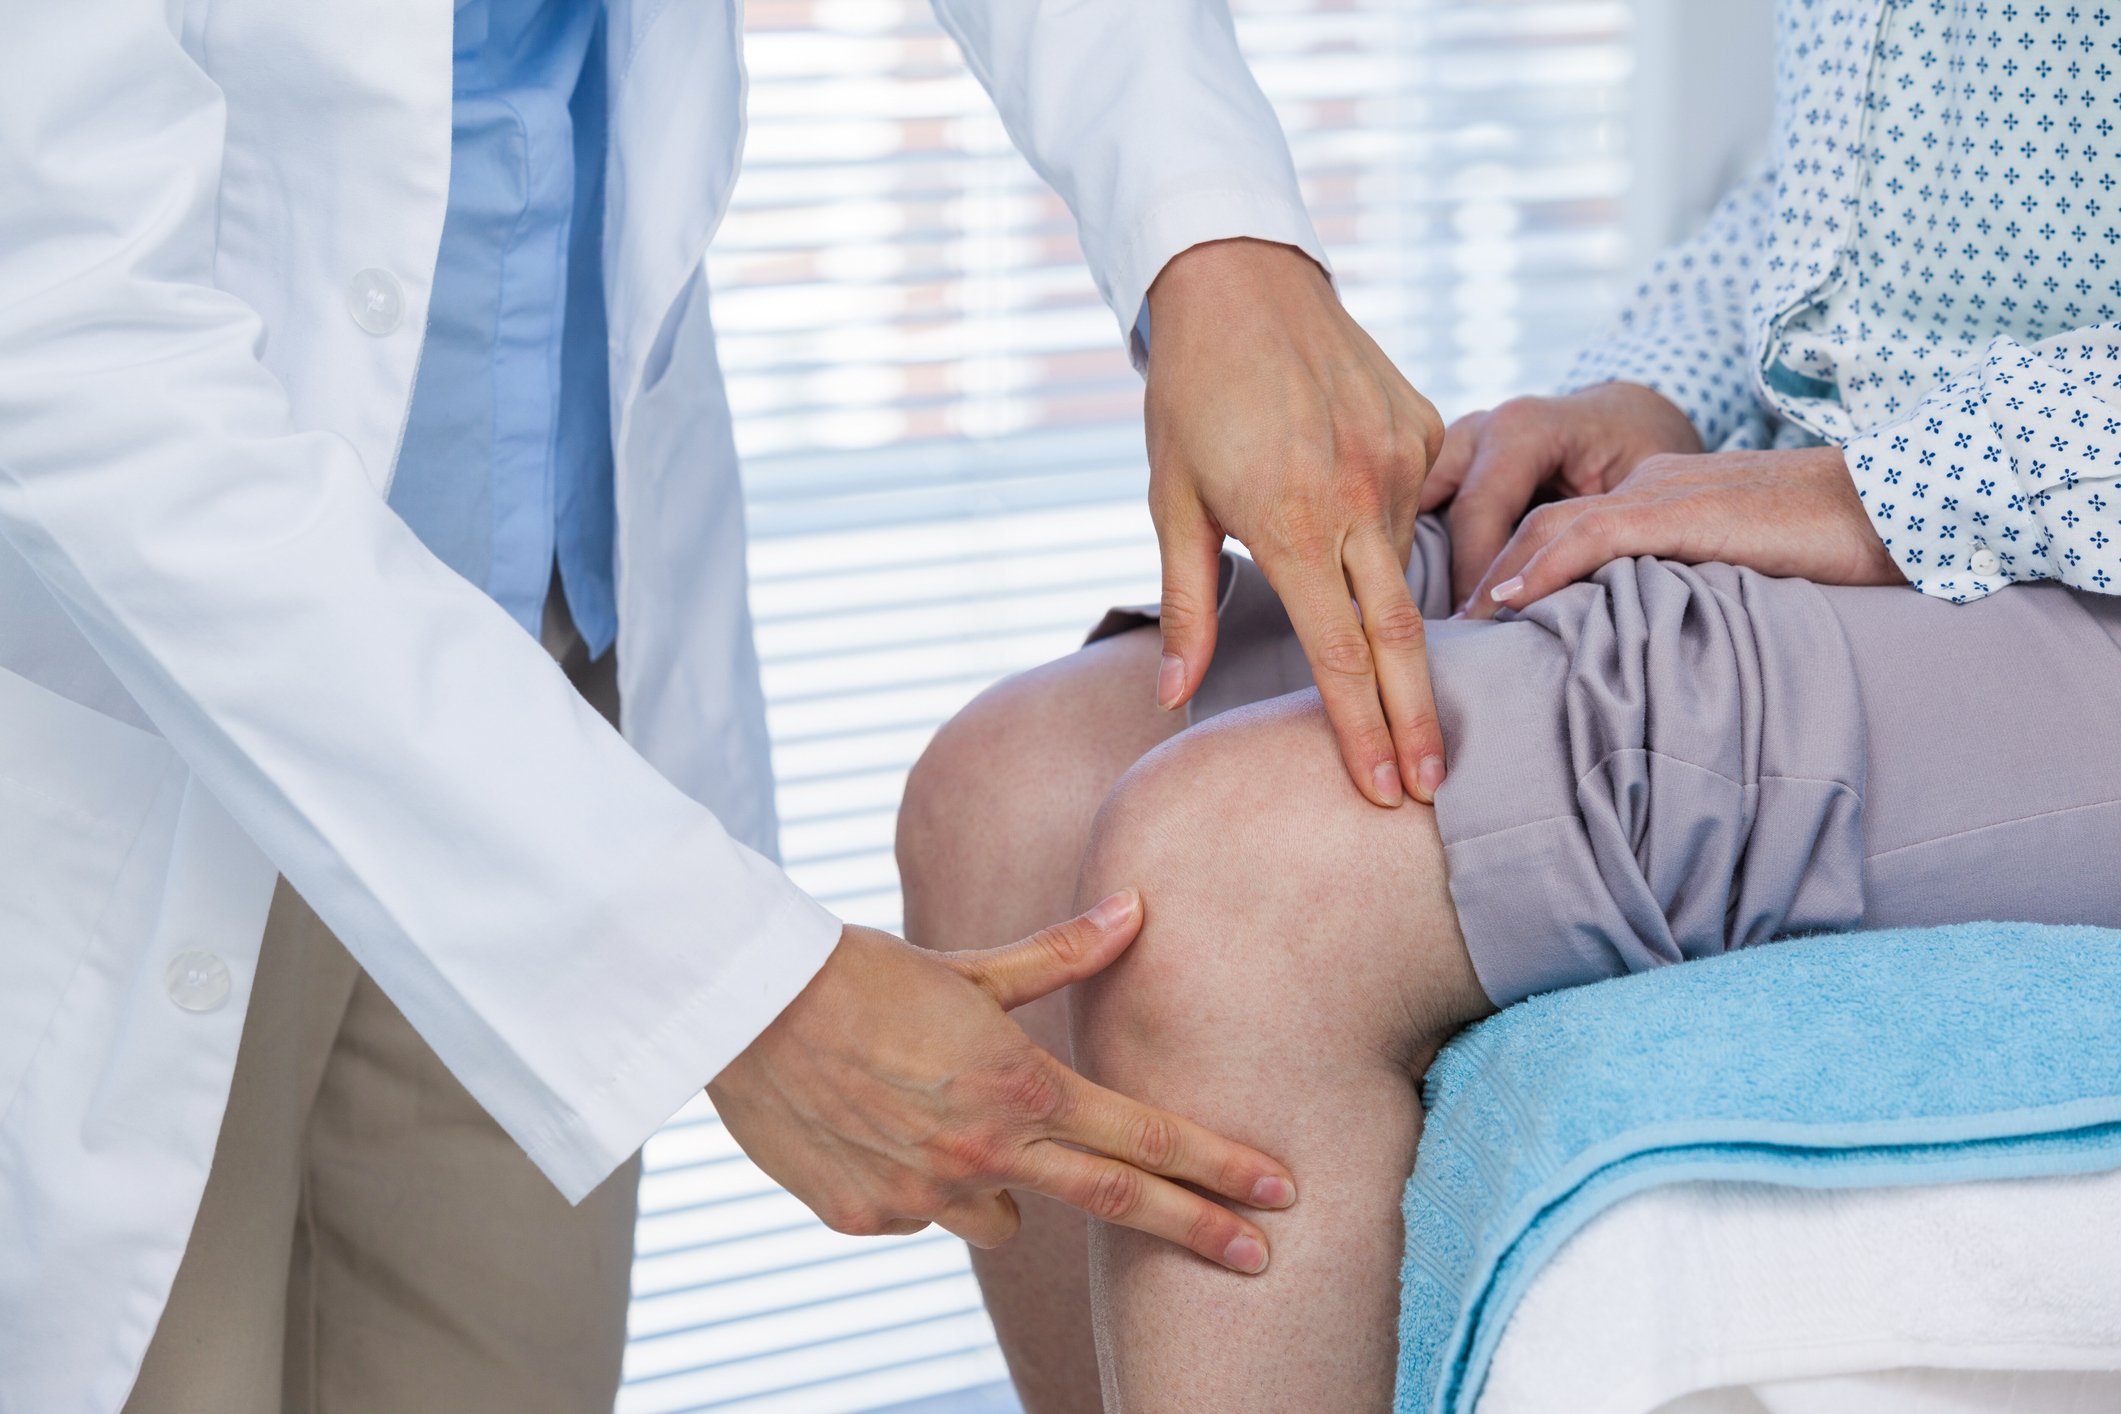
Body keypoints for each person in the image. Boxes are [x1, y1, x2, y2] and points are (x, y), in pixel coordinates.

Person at [0, 3, 1456, 1411]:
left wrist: (1212, 239)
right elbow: (64, 355)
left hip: (555, 655)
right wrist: (729, 984)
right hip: (146, 700)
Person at [898, 1, 2121, 1408]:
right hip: (1870, 465)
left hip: (2049, 532)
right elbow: (1877, 165)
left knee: (1241, 871)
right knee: (1006, 793)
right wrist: (1657, 385)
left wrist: (1887, 486)